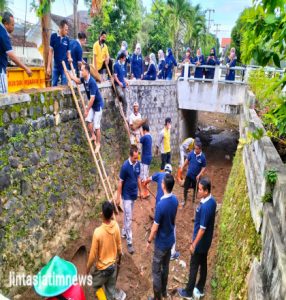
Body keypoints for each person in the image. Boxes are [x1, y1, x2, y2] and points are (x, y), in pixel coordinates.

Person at [178, 177, 217, 300]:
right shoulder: (212, 201)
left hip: (200, 243)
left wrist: (194, 244)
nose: (198, 191)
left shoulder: (205, 207)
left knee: (194, 265)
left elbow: (202, 229)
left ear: (206, 191)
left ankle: (188, 292)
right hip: (206, 241)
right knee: (203, 263)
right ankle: (199, 288)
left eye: (200, 190)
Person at [146, 174, 179, 300]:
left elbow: (155, 227)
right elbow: (174, 219)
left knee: (156, 271)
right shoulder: (175, 200)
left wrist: (149, 241)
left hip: (161, 243)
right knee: (166, 267)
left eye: (162, 182)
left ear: (164, 185)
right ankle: (164, 292)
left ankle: (157, 297)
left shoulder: (161, 205)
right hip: (170, 240)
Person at [86, 201, 122, 300]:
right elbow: (119, 246)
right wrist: (119, 257)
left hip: (102, 269)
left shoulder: (98, 232)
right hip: (113, 267)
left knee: (94, 285)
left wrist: (87, 269)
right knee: (110, 290)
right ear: (112, 214)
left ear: (102, 214)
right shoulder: (116, 226)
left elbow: (92, 255)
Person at [144, 164, 180, 261]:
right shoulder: (171, 180)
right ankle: (172, 253)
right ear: (171, 172)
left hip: (159, 205)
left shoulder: (159, 174)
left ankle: (157, 240)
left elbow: (148, 179)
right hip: (167, 205)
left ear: (164, 170)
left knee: (158, 223)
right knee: (171, 226)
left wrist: (144, 184)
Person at [70, 64, 104, 152]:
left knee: (97, 126)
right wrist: (71, 76)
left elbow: (92, 99)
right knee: (88, 120)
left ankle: (98, 143)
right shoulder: (84, 79)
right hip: (92, 105)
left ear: (87, 71)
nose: (81, 72)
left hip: (98, 105)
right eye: (81, 70)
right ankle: (93, 135)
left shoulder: (92, 82)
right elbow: (78, 81)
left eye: (82, 70)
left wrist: (86, 110)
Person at [116, 145, 142, 254]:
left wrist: (141, 191)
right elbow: (120, 182)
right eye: (135, 158)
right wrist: (118, 197)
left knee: (127, 216)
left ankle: (123, 232)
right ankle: (129, 242)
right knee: (129, 217)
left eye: (137, 157)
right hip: (126, 196)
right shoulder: (125, 166)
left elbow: (138, 178)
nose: (136, 160)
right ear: (130, 156)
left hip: (133, 195)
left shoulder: (138, 164)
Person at [0, 12, 32, 94]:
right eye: (12, 25)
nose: (13, 27)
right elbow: (12, 56)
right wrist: (26, 68)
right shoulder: (3, 34)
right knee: (3, 97)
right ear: (6, 24)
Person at [47, 19, 72, 86]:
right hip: (56, 66)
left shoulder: (67, 39)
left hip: (64, 67)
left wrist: (70, 58)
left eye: (67, 29)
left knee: (64, 85)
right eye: (65, 29)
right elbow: (50, 52)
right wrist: (48, 67)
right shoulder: (53, 36)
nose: (67, 31)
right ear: (61, 28)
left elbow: (68, 52)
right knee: (54, 84)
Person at [181, 140, 206, 207]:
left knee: (195, 189)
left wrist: (199, 175)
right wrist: (182, 167)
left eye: (197, 149)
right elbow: (187, 160)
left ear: (200, 149)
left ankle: (193, 201)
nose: (195, 150)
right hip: (189, 174)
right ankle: (184, 200)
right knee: (185, 187)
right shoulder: (192, 153)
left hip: (196, 177)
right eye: (194, 148)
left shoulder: (203, 157)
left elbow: (203, 167)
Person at [140, 124, 153, 198]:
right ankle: (146, 191)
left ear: (144, 130)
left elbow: (139, 140)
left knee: (144, 175)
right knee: (146, 174)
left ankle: (146, 193)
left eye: (142, 130)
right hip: (149, 157)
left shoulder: (145, 137)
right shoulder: (150, 136)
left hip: (145, 158)